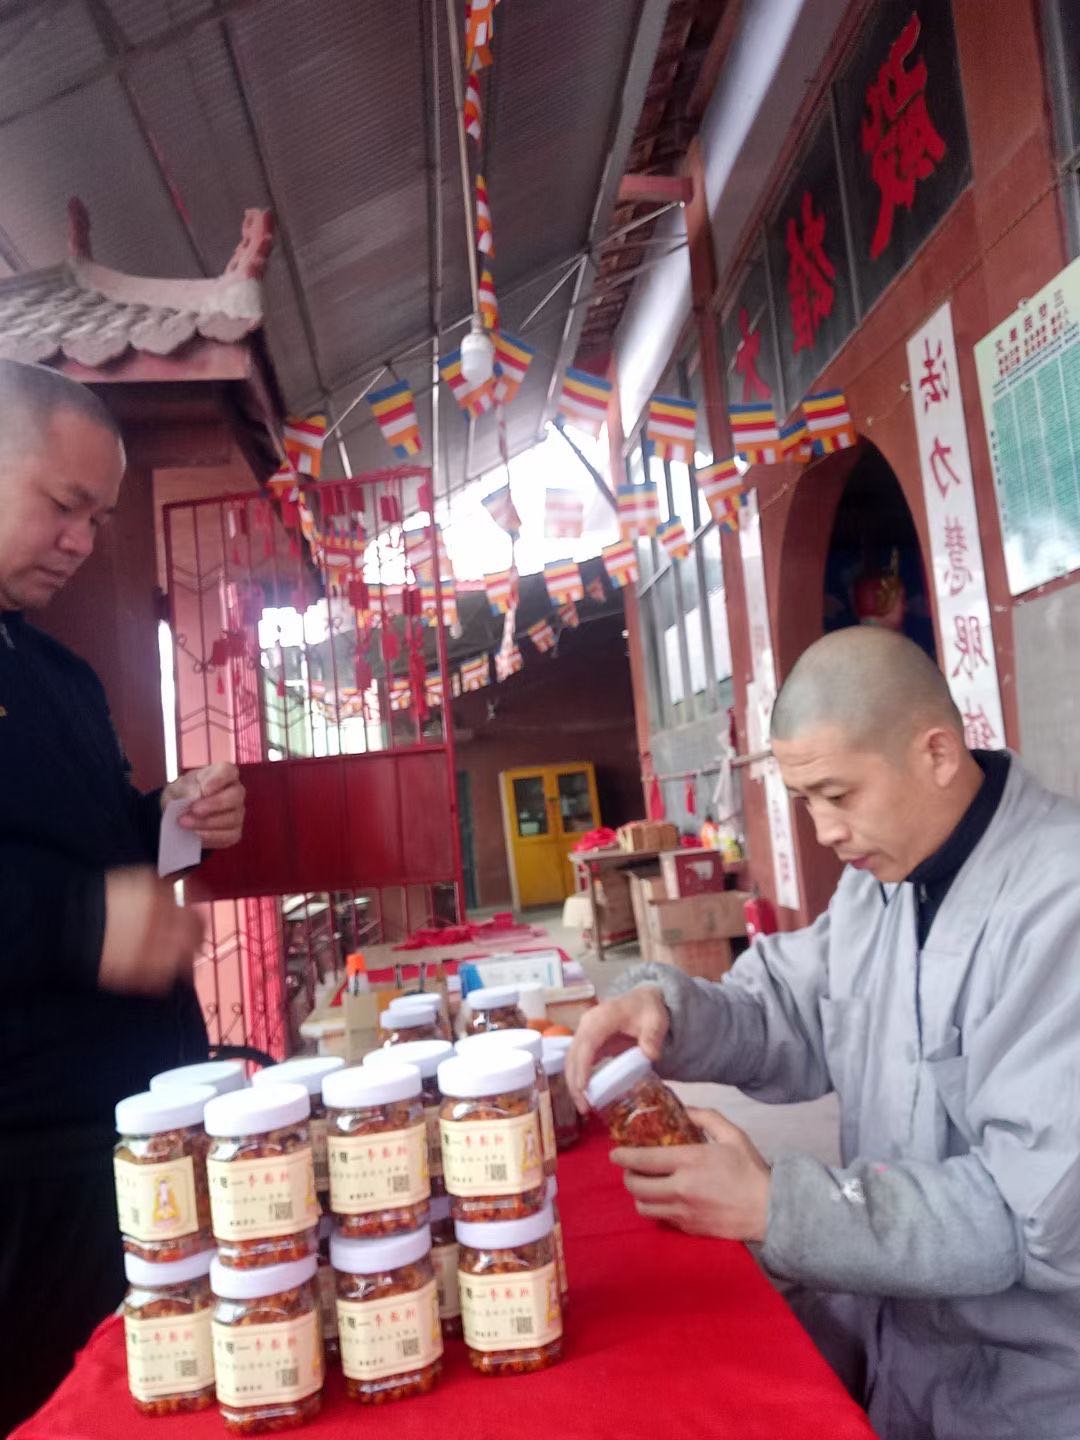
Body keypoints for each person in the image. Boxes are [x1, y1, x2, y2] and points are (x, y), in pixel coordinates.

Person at [568, 627, 1080, 1440]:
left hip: (1029, 1379)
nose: (824, 831)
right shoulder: (884, 880)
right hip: (899, 1337)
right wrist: (665, 1008)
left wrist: (782, 1207)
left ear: (938, 754)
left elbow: (1026, 1215)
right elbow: (789, 1013)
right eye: (805, 801)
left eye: (839, 795)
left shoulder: (1061, 901)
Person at [0, 360, 246, 1433]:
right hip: (21, 1157)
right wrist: (81, 921)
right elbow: (67, 896)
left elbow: (79, 844)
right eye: (63, 507)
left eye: (97, 519)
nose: (81, 542)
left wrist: (168, 819)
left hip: (127, 1132)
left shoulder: (54, 672)